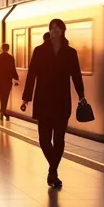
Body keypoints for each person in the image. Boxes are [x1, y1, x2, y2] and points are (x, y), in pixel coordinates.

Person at [21, 20, 86, 190]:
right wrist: (26, 97)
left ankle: (52, 172)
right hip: (43, 99)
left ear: (63, 30)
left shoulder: (71, 53)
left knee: (59, 138)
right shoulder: (39, 51)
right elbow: (32, 74)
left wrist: (81, 95)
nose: (54, 30)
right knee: (43, 139)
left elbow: (76, 75)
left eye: (57, 27)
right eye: (52, 27)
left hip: (62, 100)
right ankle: (54, 168)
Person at [0, 43, 17, 121]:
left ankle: (3, 112)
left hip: (0, 81)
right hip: (8, 80)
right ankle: (3, 112)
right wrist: (16, 78)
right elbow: (13, 69)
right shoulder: (11, 58)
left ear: (2, 48)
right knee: (6, 96)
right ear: (8, 49)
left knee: (1, 96)